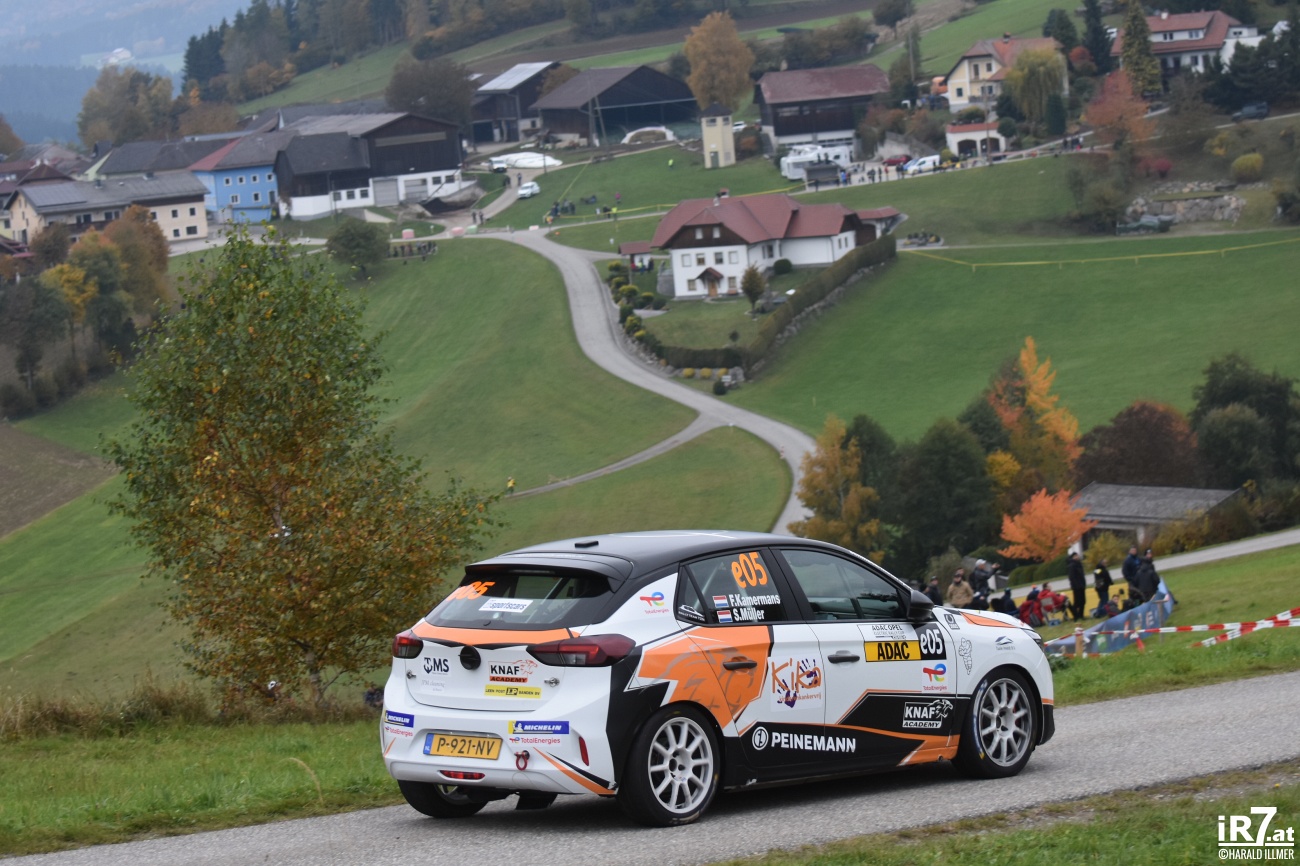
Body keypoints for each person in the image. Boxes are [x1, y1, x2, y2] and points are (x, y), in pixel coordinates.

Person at [1066, 551, 1086, 622]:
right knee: (1077, 602)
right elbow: (1071, 577)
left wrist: (1083, 584)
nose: (1077, 557)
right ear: (1073, 557)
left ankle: (1081, 615)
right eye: (1076, 556)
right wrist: (1076, 585)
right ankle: (1076, 615)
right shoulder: (1072, 565)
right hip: (1076, 587)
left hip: (1082, 585)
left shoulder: (1079, 564)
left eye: (1077, 555)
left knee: (1083, 601)